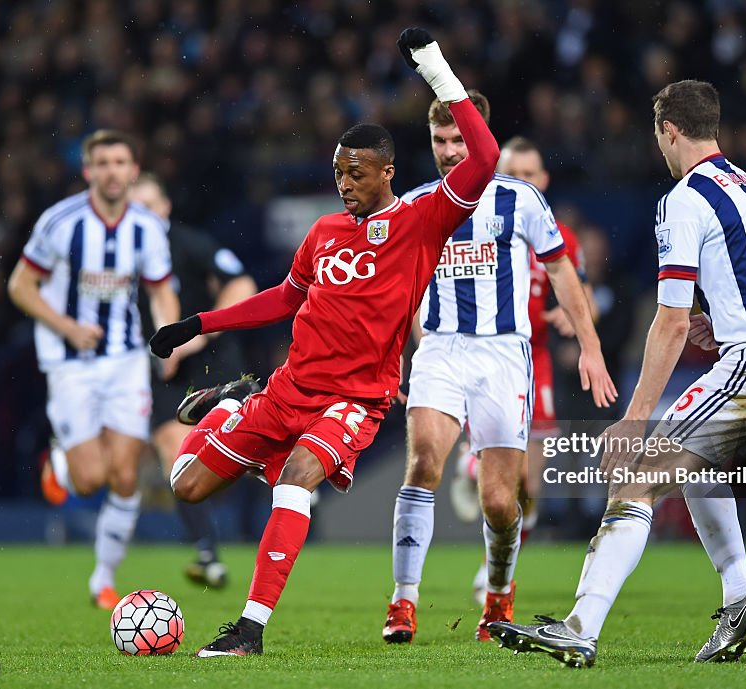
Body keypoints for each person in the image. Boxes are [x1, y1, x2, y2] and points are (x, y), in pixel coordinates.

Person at [147, 28, 500, 657]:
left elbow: (485, 157)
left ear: (387, 172)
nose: (345, 184)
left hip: (353, 399)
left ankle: (249, 630)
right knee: (184, 482)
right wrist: (198, 324)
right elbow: (286, 299)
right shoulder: (325, 230)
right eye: (338, 173)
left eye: (356, 173)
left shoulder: (422, 220)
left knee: (296, 479)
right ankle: (232, 405)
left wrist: (434, 68)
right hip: (286, 389)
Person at [488, 80, 746, 667]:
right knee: (697, 466)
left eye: (657, 134)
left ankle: (581, 626)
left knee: (637, 478)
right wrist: (728, 318)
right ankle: (738, 595)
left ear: (669, 131)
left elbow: (670, 323)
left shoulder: (684, 198)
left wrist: (634, 418)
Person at [383, 108, 617, 642]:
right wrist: (390, 358)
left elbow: (560, 267)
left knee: (500, 499)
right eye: (439, 140)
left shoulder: (520, 199)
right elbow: (399, 291)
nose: (448, 151)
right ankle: (402, 602)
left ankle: (498, 594)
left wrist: (590, 345)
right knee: (421, 464)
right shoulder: (417, 204)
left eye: (457, 138)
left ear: (478, 138)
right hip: (441, 350)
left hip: (504, 355)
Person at [7, 129, 180, 608]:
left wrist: (171, 336)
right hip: (69, 361)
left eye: (120, 162)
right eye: (101, 163)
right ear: (88, 171)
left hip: (124, 359)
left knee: (125, 476)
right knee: (89, 481)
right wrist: (66, 326)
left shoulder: (146, 227)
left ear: (132, 169)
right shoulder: (60, 222)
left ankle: (103, 579)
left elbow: (161, 289)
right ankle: (60, 462)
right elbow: (20, 286)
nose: (111, 171)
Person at [446, 135, 599, 606]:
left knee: (531, 484)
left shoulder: (559, 234)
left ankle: (493, 569)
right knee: (501, 468)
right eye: (513, 175)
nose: (523, 183)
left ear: (544, 180)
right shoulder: (481, 221)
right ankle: (471, 460)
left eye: (531, 175)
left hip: (538, 359)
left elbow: (584, 293)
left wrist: (570, 316)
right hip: (486, 353)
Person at [128, 172, 258, 588]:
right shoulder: (122, 257)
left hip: (211, 363)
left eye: (149, 207)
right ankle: (207, 554)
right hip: (163, 371)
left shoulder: (188, 243)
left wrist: (194, 339)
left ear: (165, 209)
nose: (143, 217)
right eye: (135, 209)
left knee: (234, 446)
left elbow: (242, 284)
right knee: (173, 454)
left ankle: (282, 464)